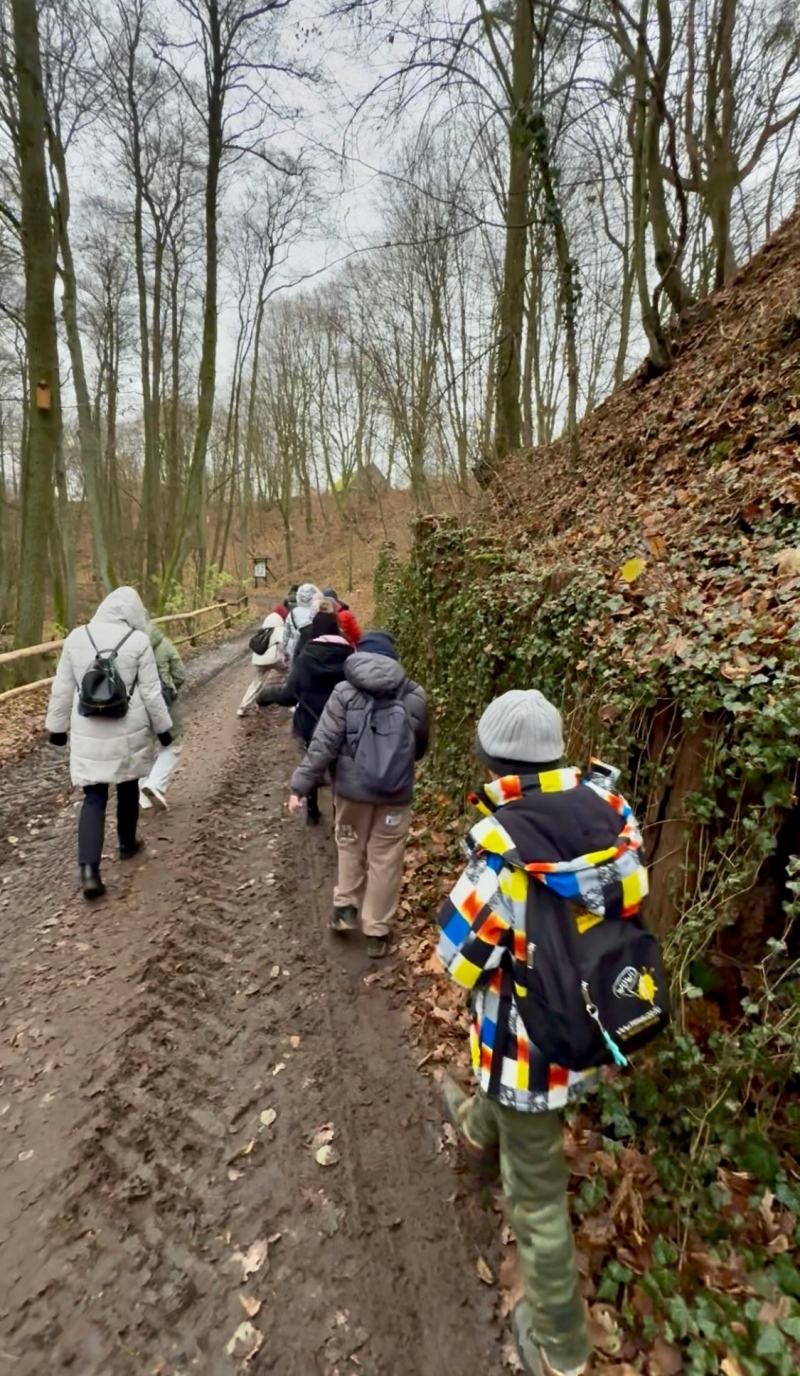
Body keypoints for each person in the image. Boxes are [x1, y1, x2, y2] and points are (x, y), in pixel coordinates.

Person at [435, 690, 648, 1376]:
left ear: (491, 761)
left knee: (536, 1202)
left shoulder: (505, 850)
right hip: (599, 1022)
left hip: (526, 1051)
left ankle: (560, 1343)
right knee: (512, 1113)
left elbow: (457, 958)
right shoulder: (611, 816)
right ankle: (477, 1133)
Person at [289, 630, 428, 957]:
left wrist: (300, 785)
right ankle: (377, 933)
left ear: (359, 655)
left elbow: (323, 744)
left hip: (352, 793)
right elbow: (420, 748)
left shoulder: (344, 692)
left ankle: (345, 909)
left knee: (350, 844)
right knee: (385, 859)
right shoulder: (414, 694)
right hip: (395, 794)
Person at [45, 586, 173, 900]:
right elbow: (151, 693)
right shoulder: (138, 641)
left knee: (94, 796)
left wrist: (57, 728)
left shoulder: (77, 638)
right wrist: (164, 729)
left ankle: (89, 870)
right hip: (127, 727)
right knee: (127, 786)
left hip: (88, 727)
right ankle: (127, 844)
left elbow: (62, 688)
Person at [258, 607, 353, 824]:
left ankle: (312, 810)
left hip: (311, 723)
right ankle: (338, 812)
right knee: (340, 767)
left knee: (311, 760)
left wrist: (266, 695)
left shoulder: (306, 657)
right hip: (343, 723)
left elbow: (290, 695)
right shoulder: (350, 657)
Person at [139, 621, 187, 811]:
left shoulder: (127, 646)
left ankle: (143, 797)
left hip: (136, 705)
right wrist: (171, 691)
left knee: (145, 747)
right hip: (163, 702)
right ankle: (155, 784)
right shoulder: (164, 644)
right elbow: (180, 674)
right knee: (172, 744)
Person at [237, 603, 287, 717]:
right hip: (273, 658)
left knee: (257, 682)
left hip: (259, 659)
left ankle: (243, 707)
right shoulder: (279, 629)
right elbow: (284, 644)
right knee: (290, 673)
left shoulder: (264, 628)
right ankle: (294, 700)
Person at [280, 583, 319, 665]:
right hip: (313, 651)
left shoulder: (292, 613)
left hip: (294, 651)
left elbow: (286, 635)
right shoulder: (317, 612)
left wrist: (284, 652)